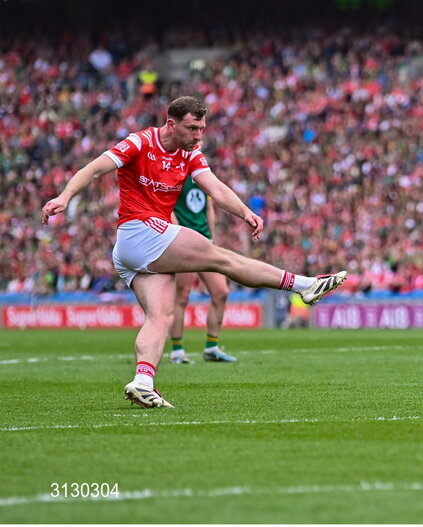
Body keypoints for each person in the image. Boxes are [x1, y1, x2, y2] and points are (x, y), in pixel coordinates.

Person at [41, 96, 347, 408]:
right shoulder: (139, 142)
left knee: (160, 315)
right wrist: (65, 197)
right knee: (222, 258)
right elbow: (94, 169)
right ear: (171, 124)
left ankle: (143, 381)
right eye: (192, 128)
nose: (198, 135)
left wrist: (244, 211)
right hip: (139, 231)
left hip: (135, 249)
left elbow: (214, 187)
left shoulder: (190, 155)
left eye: (201, 128)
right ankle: (305, 285)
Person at [167, 174, 236, 364]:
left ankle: (211, 348)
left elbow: (209, 209)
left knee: (221, 292)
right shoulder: (174, 173)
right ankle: (177, 351)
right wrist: (177, 235)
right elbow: (167, 207)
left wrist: (213, 240)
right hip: (184, 243)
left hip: (205, 242)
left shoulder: (202, 174)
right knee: (182, 296)